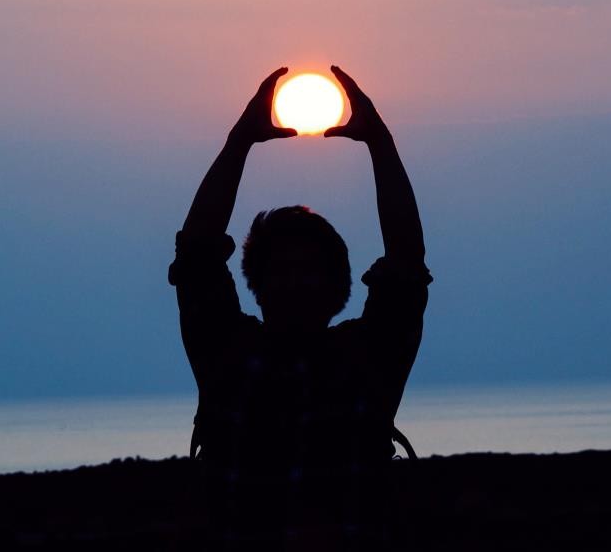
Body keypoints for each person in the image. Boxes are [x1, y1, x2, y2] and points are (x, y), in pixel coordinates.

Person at [168, 65, 432, 548]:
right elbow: (197, 258)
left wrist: (381, 145)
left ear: (339, 286)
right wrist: (238, 142)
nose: (297, 283)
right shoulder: (229, 353)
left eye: (311, 270)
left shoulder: (368, 359)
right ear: (258, 283)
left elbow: (406, 266)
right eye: (283, 270)